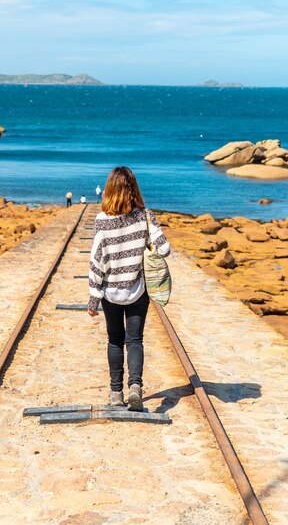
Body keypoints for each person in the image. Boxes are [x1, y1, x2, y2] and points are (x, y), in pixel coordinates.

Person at [88, 166, 170, 411]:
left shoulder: (102, 221)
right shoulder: (144, 216)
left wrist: (93, 299)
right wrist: (146, 243)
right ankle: (135, 388)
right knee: (134, 340)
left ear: (109, 190)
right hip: (137, 291)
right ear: (134, 189)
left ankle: (116, 393)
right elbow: (164, 249)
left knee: (115, 341)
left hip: (111, 294)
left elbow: (96, 261)